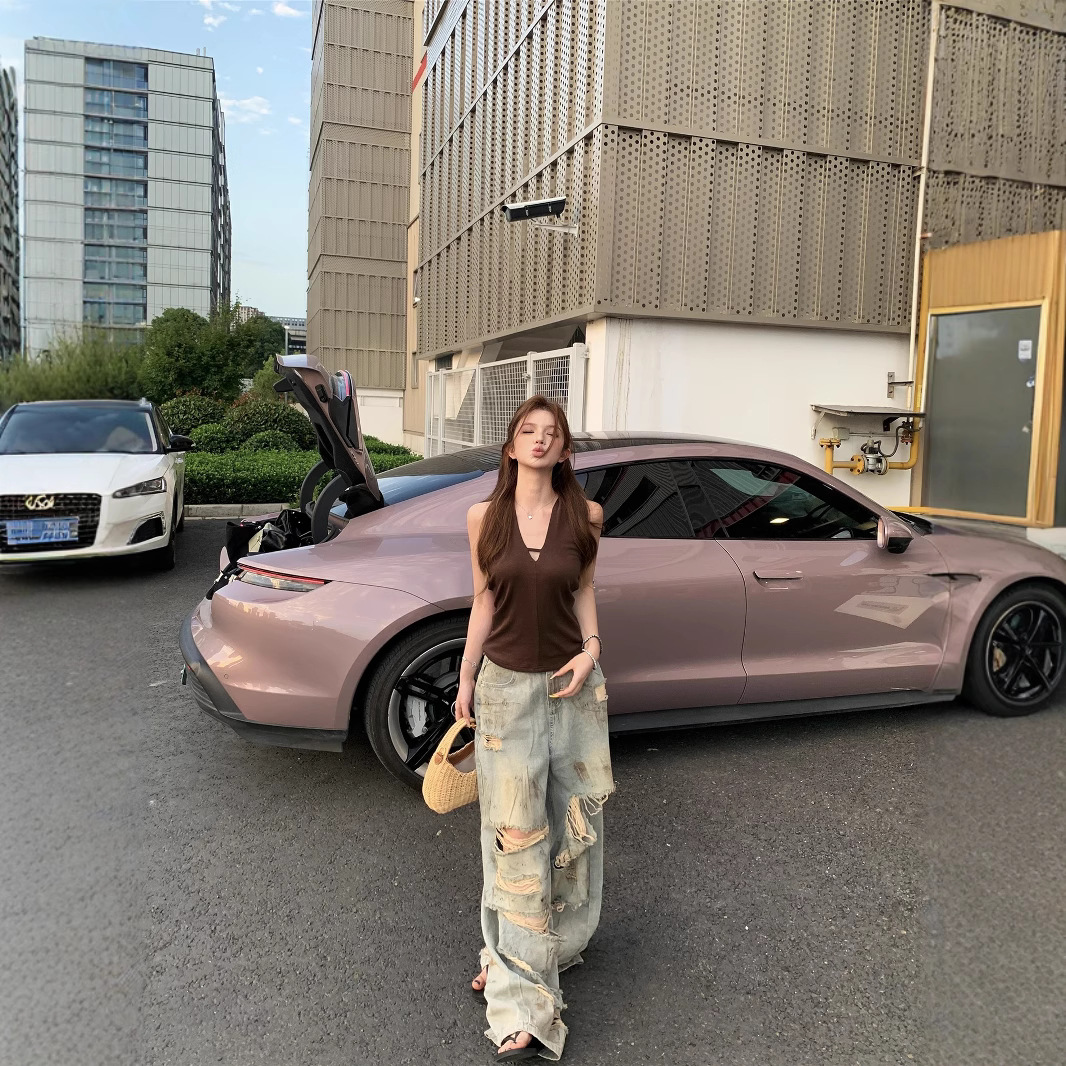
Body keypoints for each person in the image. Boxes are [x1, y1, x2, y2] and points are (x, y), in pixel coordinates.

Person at [455, 395, 614, 1061]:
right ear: (512, 446)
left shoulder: (587, 516)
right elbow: (483, 600)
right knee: (514, 838)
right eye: (529, 431)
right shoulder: (483, 518)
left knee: (574, 830)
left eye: (552, 433)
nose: (540, 440)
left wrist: (592, 650)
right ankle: (524, 1000)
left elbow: (584, 591)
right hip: (505, 693)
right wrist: (465, 678)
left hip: (572, 690)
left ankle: (533, 949)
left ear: (566, 449)